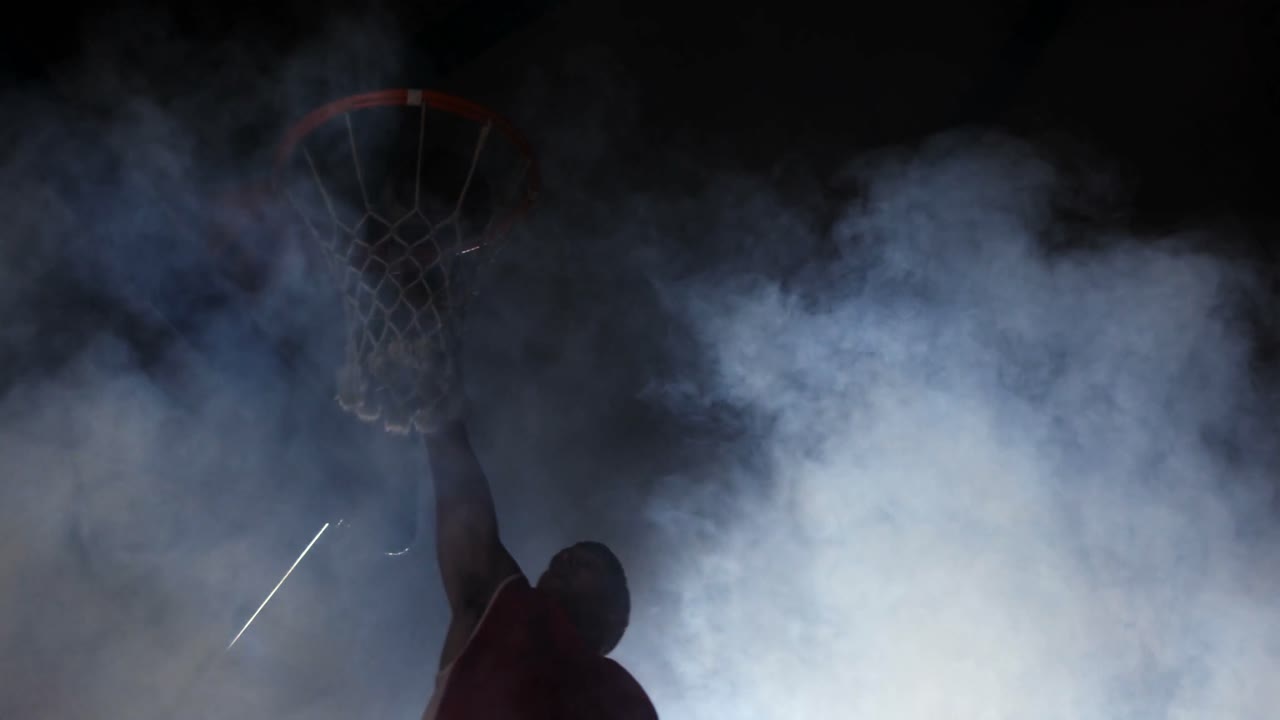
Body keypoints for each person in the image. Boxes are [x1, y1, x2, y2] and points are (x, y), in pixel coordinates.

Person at [418, 415, 659, 719]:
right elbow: (469, 531)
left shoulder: (626, 702)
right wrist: (438, 416)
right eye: (562, 556)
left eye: (585, 564)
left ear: (616, 616)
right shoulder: (509, 615)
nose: (563, 559)